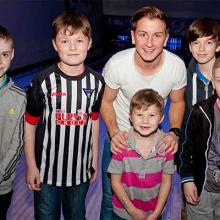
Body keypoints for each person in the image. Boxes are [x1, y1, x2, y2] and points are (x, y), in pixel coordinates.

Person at [100, 6, 186, 220]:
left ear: (166, 38)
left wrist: (174, 132)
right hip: (120, 136)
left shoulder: (176, 66)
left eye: (157, 35)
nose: (149, 43)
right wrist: (114, 133)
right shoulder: (117, 64)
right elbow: (106, 101)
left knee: (154, 194)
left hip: (153, 139)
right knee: (111, 197)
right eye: (143, 35)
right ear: (132, 36)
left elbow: (177, 102)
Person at [24, 12, 104, 220]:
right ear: (54, 44)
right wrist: (31, 165)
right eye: (65, 41)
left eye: (79, 40)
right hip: (46, 172)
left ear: (89, 43)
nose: (72, 47)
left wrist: (94, 158)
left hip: (80, 171)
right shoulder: (42, 81)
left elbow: (94, 122)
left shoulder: (96, 82)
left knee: (77, 216)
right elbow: (30, 124)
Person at [108, 89, 174, 220]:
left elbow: (166, 182)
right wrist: (132, 210)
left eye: (151, 115)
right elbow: (115, 182)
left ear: (161, 118)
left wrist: (156, 213)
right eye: (139, 115)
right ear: (130, 117)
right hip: (123, 213)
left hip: (154, 212)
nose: (145, 121)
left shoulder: (166, 146)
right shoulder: (122, 144)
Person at [179, 57, 220, 219]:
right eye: (219, 79)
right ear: (213, 83)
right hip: (201, 189)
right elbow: (185, 147)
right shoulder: (200, 112)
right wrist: (187, 179)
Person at [0, 25, 26, 220]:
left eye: (4, 54)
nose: (0, 61)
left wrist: (1, 174)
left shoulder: (19, 98)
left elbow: (17, 143)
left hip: (1, 184)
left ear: (12, 54)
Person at [184, 17, 220, 120]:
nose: (201, 48)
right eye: (196, 43)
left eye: (208, 43)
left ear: (217, 46)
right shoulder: (184, 77)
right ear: (190, 47)